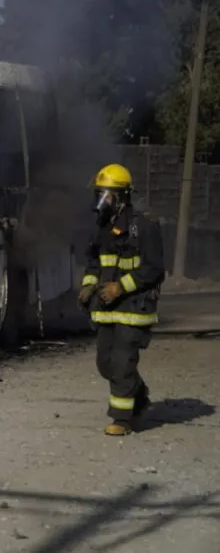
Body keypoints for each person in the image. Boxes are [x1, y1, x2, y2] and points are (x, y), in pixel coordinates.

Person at [78, 163, 165, 436]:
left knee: (122, 362)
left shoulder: (144, 226)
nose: (101, 200)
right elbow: (94, 262)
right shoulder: (102, 228)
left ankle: (122, 420)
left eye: (106, 195)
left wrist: (121, 287)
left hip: (133, 307)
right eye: (99, 194)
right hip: (106, 308)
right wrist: (88, 286)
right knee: (105, 364)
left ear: (121, 197)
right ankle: (137, 396)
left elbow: (154, 269)